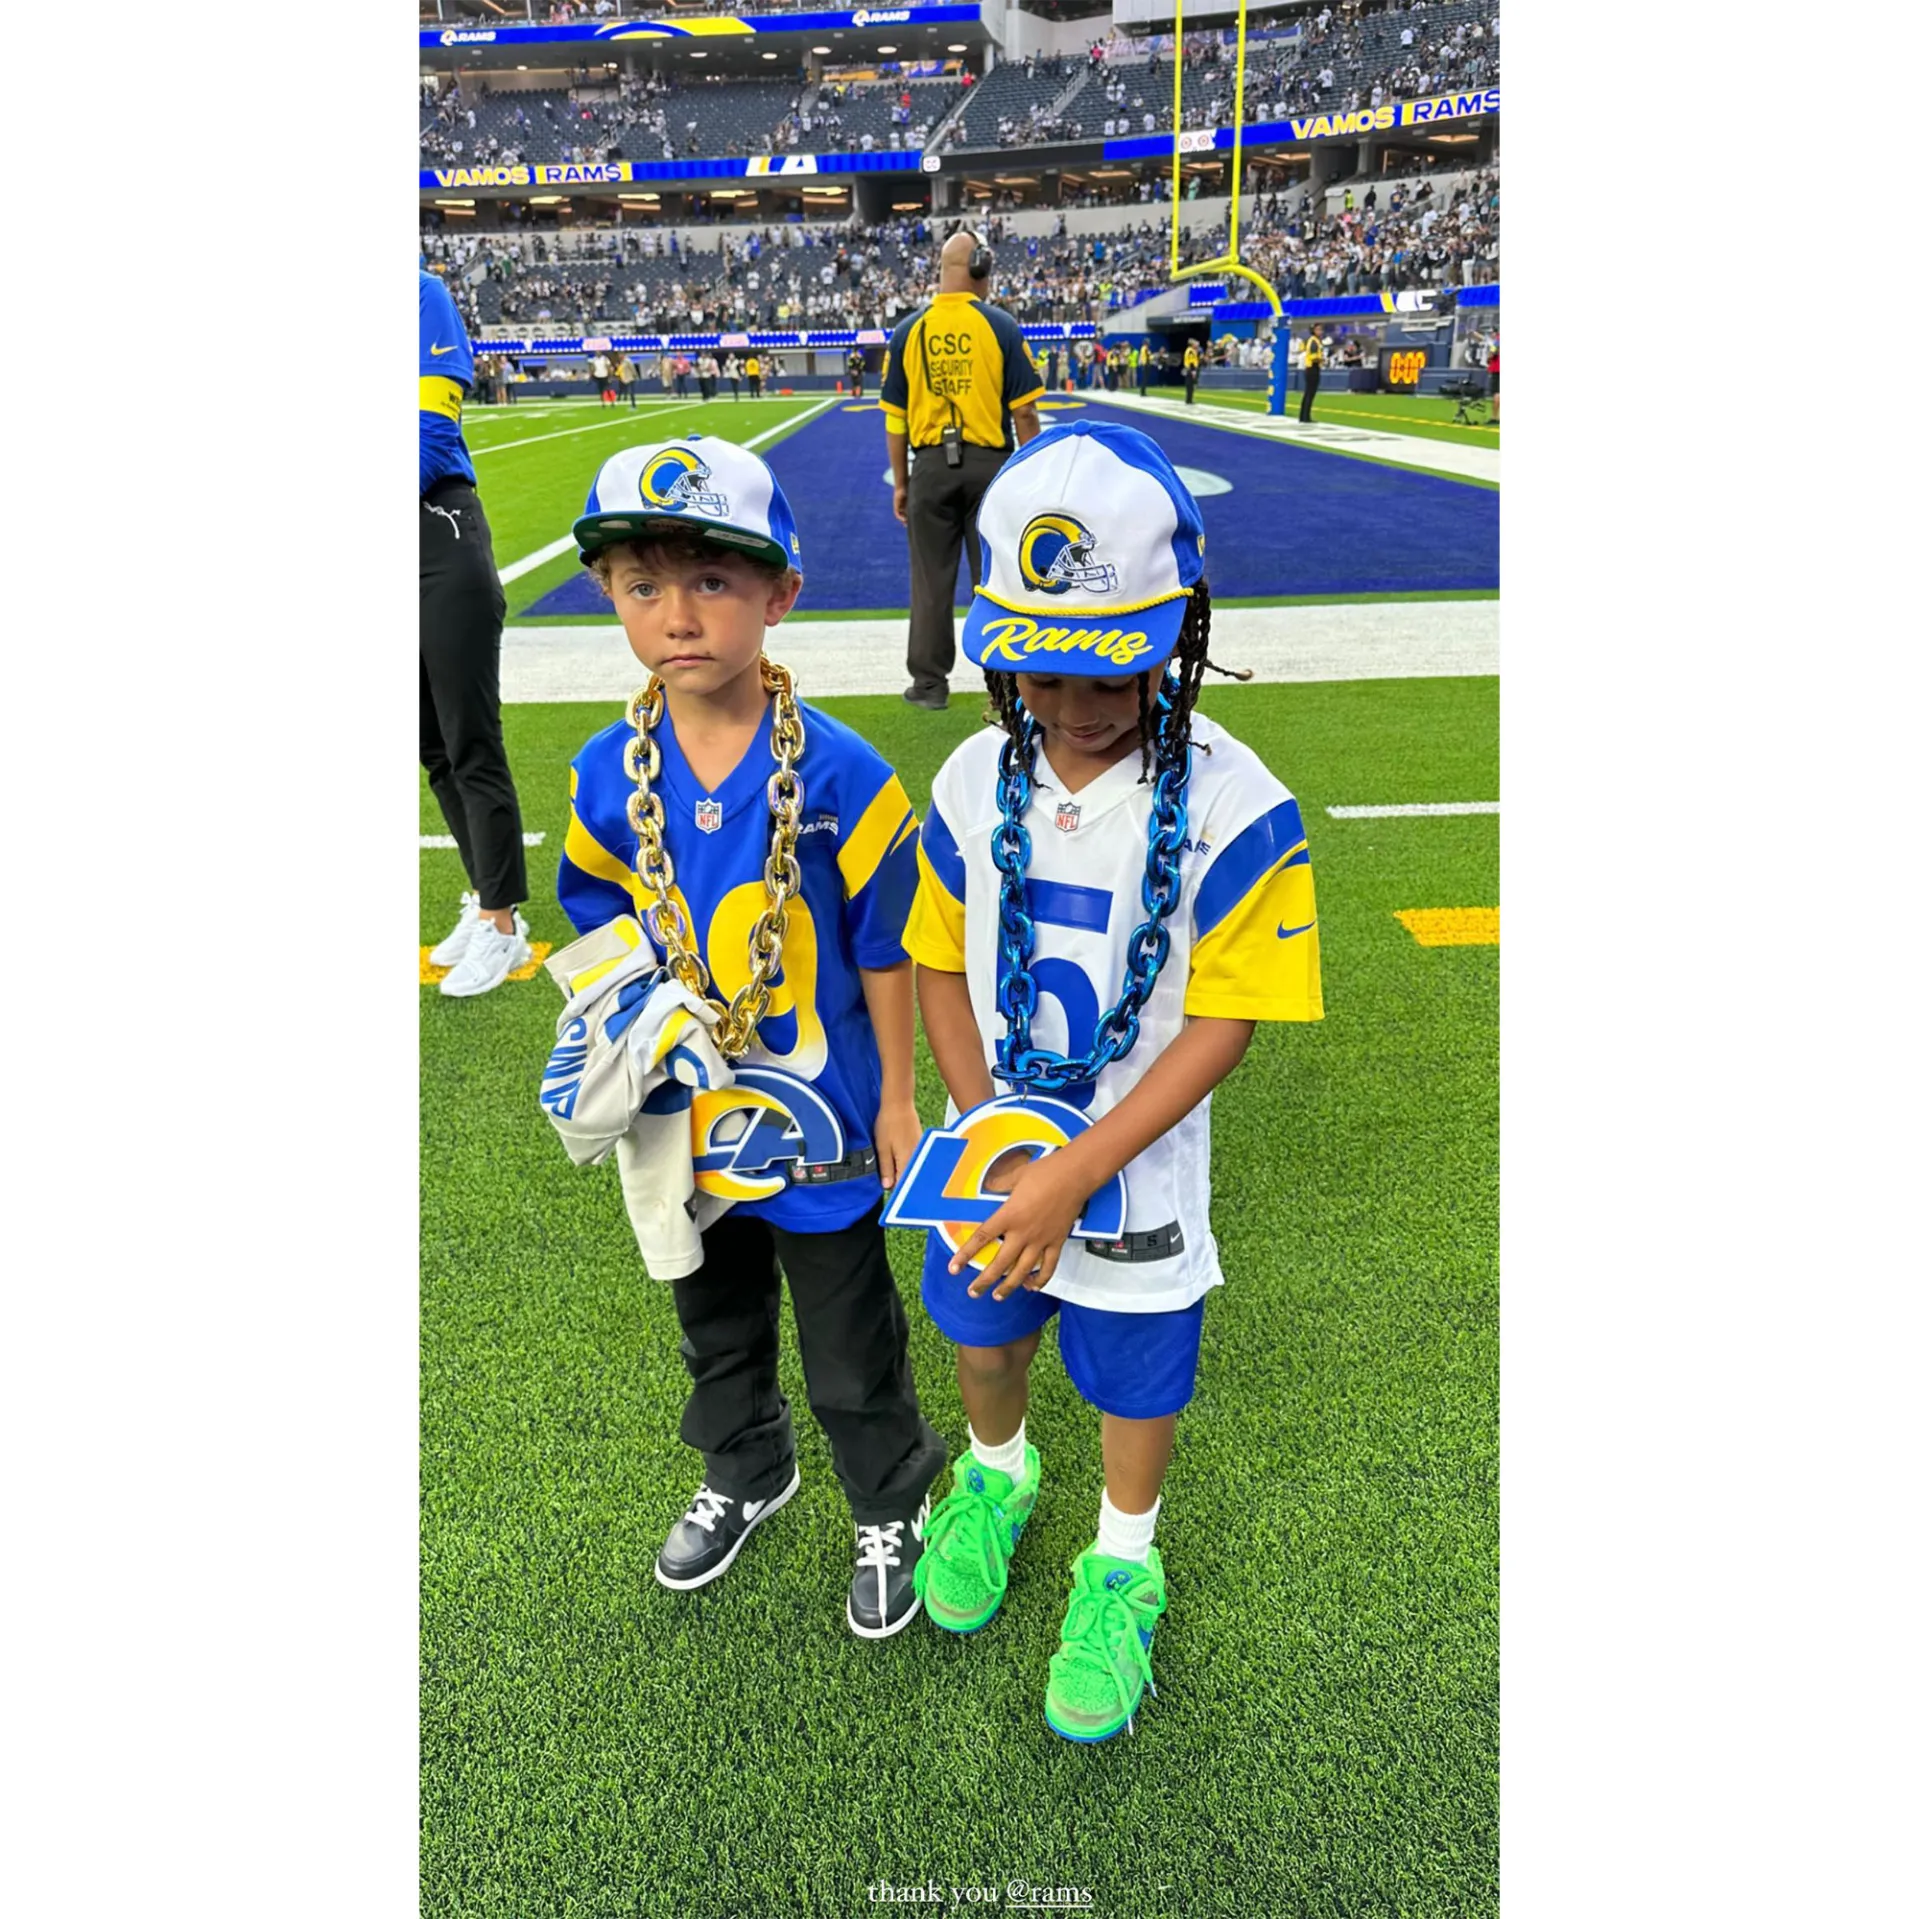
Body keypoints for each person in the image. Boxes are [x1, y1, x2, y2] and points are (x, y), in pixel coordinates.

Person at [898, 421, 1324, 1740]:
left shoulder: (1232, 800)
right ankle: (995, 1473)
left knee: (1136, 1378)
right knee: (981, 1337)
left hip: (1132, 1181)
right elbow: (936, 962)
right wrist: (989, 1134)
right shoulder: (969, 777)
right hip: (995, 1163)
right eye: (1042, 668)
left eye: (1112, 666)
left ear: (1177, 631)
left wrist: (1073, 1164)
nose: (1076, 703)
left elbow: (1224, 1018)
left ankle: (1122, 1559)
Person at [556, 435, 947, 1637]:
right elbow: (593, 917)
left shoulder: (842, 773)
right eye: (643, 584)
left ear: (780, 594)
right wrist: (627, 1027)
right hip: (688, 1121)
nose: (677, 614)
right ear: (607, 593)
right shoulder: (603, 775)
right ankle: (745, 1464)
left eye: (713, 580)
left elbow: (886, 945)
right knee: (713, 1321)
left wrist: (898, 1098)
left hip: (822, 1120)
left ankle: (887, 1496)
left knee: (848, 1339)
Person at [418, 269, 534, 998]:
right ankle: (482, 890)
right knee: (431, 744)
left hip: (439, 531)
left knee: (470, 737)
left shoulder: (420, 294)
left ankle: (502, 922)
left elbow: (432, 434)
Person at [880, 228, 1044, 712]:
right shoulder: (1001, 325)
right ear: (980, 268)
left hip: (930, 466)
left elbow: (895, 420)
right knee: (996, 580)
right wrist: (1033, 476)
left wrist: (902, 482)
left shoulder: (908, 331)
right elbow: (1025, 412)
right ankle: (1007, 688)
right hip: (990, 467)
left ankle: (929, 685)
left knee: (930, 581)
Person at [1298, 322, 1326, 423]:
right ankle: (1305, 416)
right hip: (1312, 368)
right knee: (1310, 393)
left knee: (1309, 393)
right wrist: (1322, 359)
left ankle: (1304, 416)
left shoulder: (1316, 341)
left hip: (1312, 368)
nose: (1320, 331)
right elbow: (1313, 357)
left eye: (1321, 329)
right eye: (1318, 329)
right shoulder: (1313, 341)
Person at [1181, 337, 1201, 405]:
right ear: (1192, 344)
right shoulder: (1190, 351)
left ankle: (1189, 399)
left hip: (1189, 369)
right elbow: (1191, 361)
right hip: (1190, 369)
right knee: (1190, 385)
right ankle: (1189, 400)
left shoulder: (1190, 350)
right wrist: (1193, 370)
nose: (1196, 345)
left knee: (1190, 385)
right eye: (1195, 343)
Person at [1488, 331, 1499, 425]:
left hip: (1497, 369)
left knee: (1497, 393)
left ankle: (1494, 417)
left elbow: (1492, 352)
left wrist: (1489, 358)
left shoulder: (1497, 341)